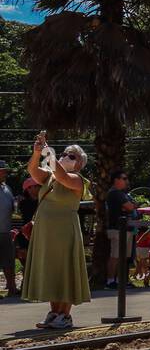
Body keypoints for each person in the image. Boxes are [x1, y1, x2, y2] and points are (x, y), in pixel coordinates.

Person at [22, 134, 91, 329]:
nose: (66, 156)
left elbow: (62, 176)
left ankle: (64, 315)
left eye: (72, 156)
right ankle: (54, 312)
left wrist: (49, 152)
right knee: (52, 270)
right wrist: (37, 153)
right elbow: (33, 170)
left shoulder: (78, 180)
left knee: (65, 270)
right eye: (65, 153)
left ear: (79, 164)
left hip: (65, 231)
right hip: (46, 232)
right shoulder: (49, 177)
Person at [104, 170, 138, 289]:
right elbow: (130, 206)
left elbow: (131, 206)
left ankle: (120, 280)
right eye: (124, 178)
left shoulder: (122, 194)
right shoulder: (115, 193)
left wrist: (131, 205)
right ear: (116, 180)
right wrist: (130, 205)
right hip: (117, 229)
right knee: (115, 256)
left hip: (126, 229)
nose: (126, 181)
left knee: (123, 257)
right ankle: (110, 281)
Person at [14, 177, 39, 273]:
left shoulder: (44, 201)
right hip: (25, 234)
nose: (39, 187)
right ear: (28, 188)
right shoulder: (22, 203)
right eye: (36, 186)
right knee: (25, 258)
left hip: (40, 233)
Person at [0, 160, 17, 297]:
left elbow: (13, 208)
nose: (4, 173)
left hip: (6, 231)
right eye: (2, 170)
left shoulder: (7, 188)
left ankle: (12, 289)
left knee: (9, 261)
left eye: (5, 170)